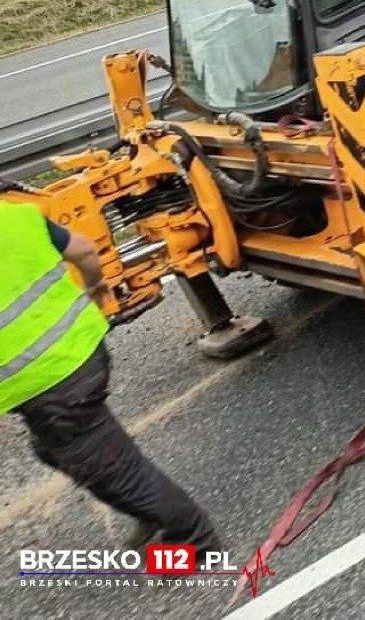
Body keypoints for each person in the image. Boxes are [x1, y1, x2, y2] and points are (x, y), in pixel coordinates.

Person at [0, 199, 221, 554]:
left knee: (117, 471)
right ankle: (145, 510)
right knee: (51, 449)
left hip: (53, 379)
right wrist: (96, 286)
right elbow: (85, 250)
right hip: (81, 351)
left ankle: (195, 544)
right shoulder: (14, 216)